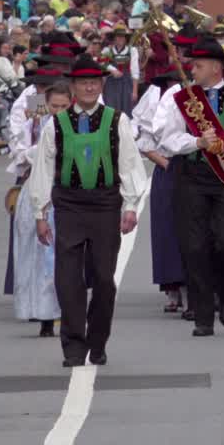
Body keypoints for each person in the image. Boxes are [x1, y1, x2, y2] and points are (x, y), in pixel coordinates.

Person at [32, 54, 147, 366]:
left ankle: (98, 341)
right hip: (68, 205)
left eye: (94, 82)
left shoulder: (117, 120)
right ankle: (72, 345)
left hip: (105, 205)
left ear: (101, 85)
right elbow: (42, 168)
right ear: (73, 87)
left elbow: (130, 164)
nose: (89, 87)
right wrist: (40, 213)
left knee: (104, 279)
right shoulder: (55, 124)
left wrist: (131, 206)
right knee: (67, 278)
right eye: (83, 82)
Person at [152, 35, 224, 337]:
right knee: (194, 248)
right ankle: (203, 316)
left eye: (199, 64)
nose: (193, 69)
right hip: (190, 177)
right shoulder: (183, 98)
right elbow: (166, 138)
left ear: (217, 67)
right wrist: (196, 141)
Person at [11, 80, 72, 336]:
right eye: (53, 106)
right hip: (36, 192)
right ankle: (42, 313)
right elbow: (19, 153)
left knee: (66, 255)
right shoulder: (35, 125)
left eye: (63, 106)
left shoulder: (76, 127)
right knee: (35, 254)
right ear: (46, 105)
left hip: (66, 193)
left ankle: (65, 310)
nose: (58, 111)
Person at [134, 69, 186, 315]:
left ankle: (198, 287)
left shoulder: (199, 101)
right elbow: (145, 145)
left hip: (197, 170)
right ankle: (172, 288)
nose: (175, 86)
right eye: (170, 83)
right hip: (168, 170)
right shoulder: (156, 106)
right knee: (168, 231)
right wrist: (168, 165)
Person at [101, 23, 137, 112]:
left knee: (127, 110)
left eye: (123, 36)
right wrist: (112, 70)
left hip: (127, 83)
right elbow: (101, 63)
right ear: (114, 38)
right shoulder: (107, 50)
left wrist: (135, 91)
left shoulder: (132, 50)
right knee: (110, 108)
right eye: (118, 36)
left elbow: (135, 71)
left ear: (126, 38)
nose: (120, 38)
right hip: (111, 83)